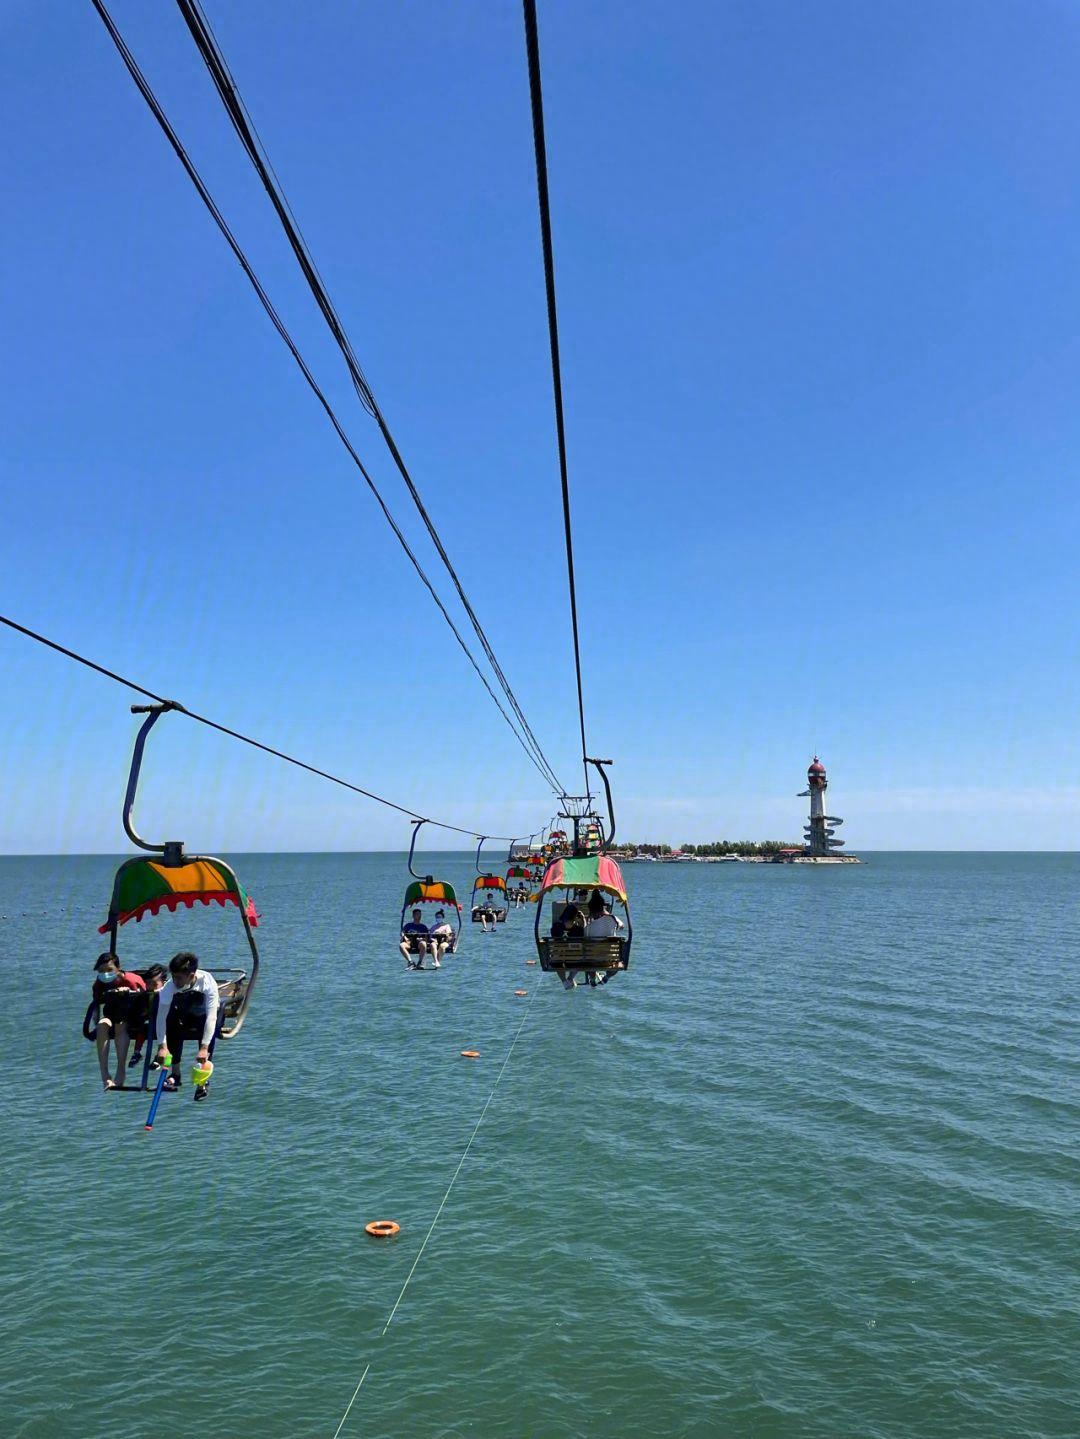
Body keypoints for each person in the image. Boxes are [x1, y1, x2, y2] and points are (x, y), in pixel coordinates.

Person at [153, 952, 220, 1101]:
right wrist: (162, 1046)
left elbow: (211, 1017)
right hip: (184, 1014)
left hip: (203, 1015)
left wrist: (204, 1048)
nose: (175, 981)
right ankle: (175, 1074)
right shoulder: (170, 987)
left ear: (191, 976)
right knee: (173, 1021)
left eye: (179, 978)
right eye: (174, 976)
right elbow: (161, 1018)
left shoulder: (207, 983)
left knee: (208, 1027)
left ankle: (202, 1081)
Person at [91, 953, 146, 1091]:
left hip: (131, 1015)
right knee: (102, 1026)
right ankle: (105, 1076)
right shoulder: (99, 984)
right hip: (111, 1014)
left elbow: (147, 1000)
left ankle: (120, 1072)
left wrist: (130, 993)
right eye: (101, 971)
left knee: (119, 1026)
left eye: (109, 970)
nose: (105, 974)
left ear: (118, 968)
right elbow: (96, 1004)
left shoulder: (132, 980)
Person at [127, 964, 168, 1071]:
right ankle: (137, 1052)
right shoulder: (144, 996)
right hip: (149, 1024)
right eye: (148, 984)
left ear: (163, 983)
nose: (151, 987)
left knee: (168, 1032)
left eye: (154, 984)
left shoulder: (167, 994)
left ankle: (158, 1058)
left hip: (165, 1025)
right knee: (143, 1028)